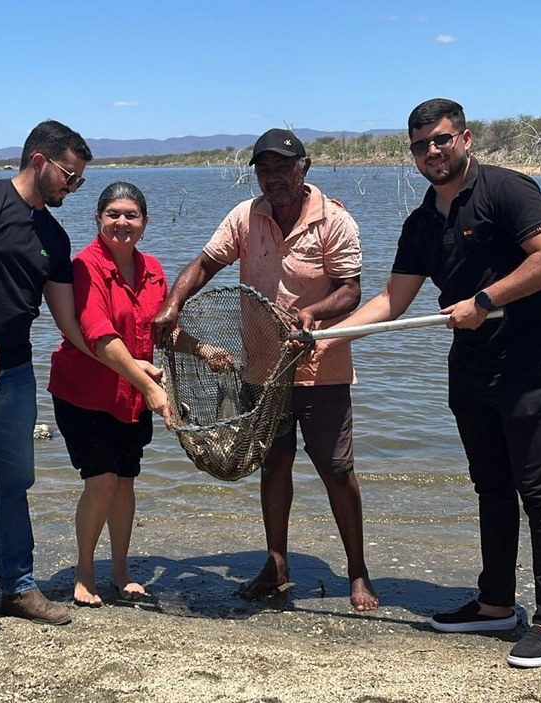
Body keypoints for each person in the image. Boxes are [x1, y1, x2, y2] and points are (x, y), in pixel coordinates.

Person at [315, 98, 541, 668]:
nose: (432, 151)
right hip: (472, 367)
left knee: (540, 491)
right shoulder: (421, 222)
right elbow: (391, 299)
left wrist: (485, 299)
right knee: (491, 486)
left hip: (531, 361)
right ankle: (495, 604)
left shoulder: (508, 190)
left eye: (441, 139)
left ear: (466, 138)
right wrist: (329, 337)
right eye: (420, 144)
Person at [0, 122, 166, 661]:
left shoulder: (53, 235)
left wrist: (129, 366)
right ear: (40, 159)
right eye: (70, 175)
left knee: (12, 485)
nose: (73, 187)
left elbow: (73, 325)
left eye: (79, 180)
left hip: (15, 375)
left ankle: (18, 587)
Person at [152, 128, 380, 612]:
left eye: (282, 166)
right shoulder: (245, 215)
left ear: (305, 167)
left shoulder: (336, 221)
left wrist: (315, 314)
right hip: (261, 368)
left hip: (321, 367)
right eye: (264, 167)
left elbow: (351, 289)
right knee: (274, 462)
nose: (273, 176)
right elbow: (205, 263)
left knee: (336, 469)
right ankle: (276, 563)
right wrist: (173, 303)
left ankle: (357, 570)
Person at [47, 182, 183, 607]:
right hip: (84, 391)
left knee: (125, 482)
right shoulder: (84, 267)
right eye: (113, 214)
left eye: (131, 215)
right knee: (101, 480)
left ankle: (120, 570)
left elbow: (161, 330)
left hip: (131, 396)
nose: (122, 223)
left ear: (144, 222)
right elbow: (100, 335)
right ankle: (85, 572)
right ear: (98, 219)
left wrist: (204, 350)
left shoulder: (154, 269)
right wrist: (154, 391)